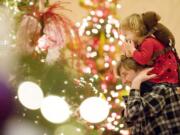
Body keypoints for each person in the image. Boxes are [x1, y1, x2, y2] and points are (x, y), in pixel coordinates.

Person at [117, 56, 180, 135]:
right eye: (121, 78)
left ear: (140, 69)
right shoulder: (141, 95)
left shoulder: (160, 89)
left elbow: (133, 115)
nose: (123, 81)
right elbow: (129, 119)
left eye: (125, 74)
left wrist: (136, 81)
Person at [120, 11, 180, 90]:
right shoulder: (143, 42)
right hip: (164, 72)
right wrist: (130, 53)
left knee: (143, 84)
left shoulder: (148, 42)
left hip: (166, 74)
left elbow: (143, 60)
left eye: (126, 35)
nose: (125, 38)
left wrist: (133, 51)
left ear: (136, 31)